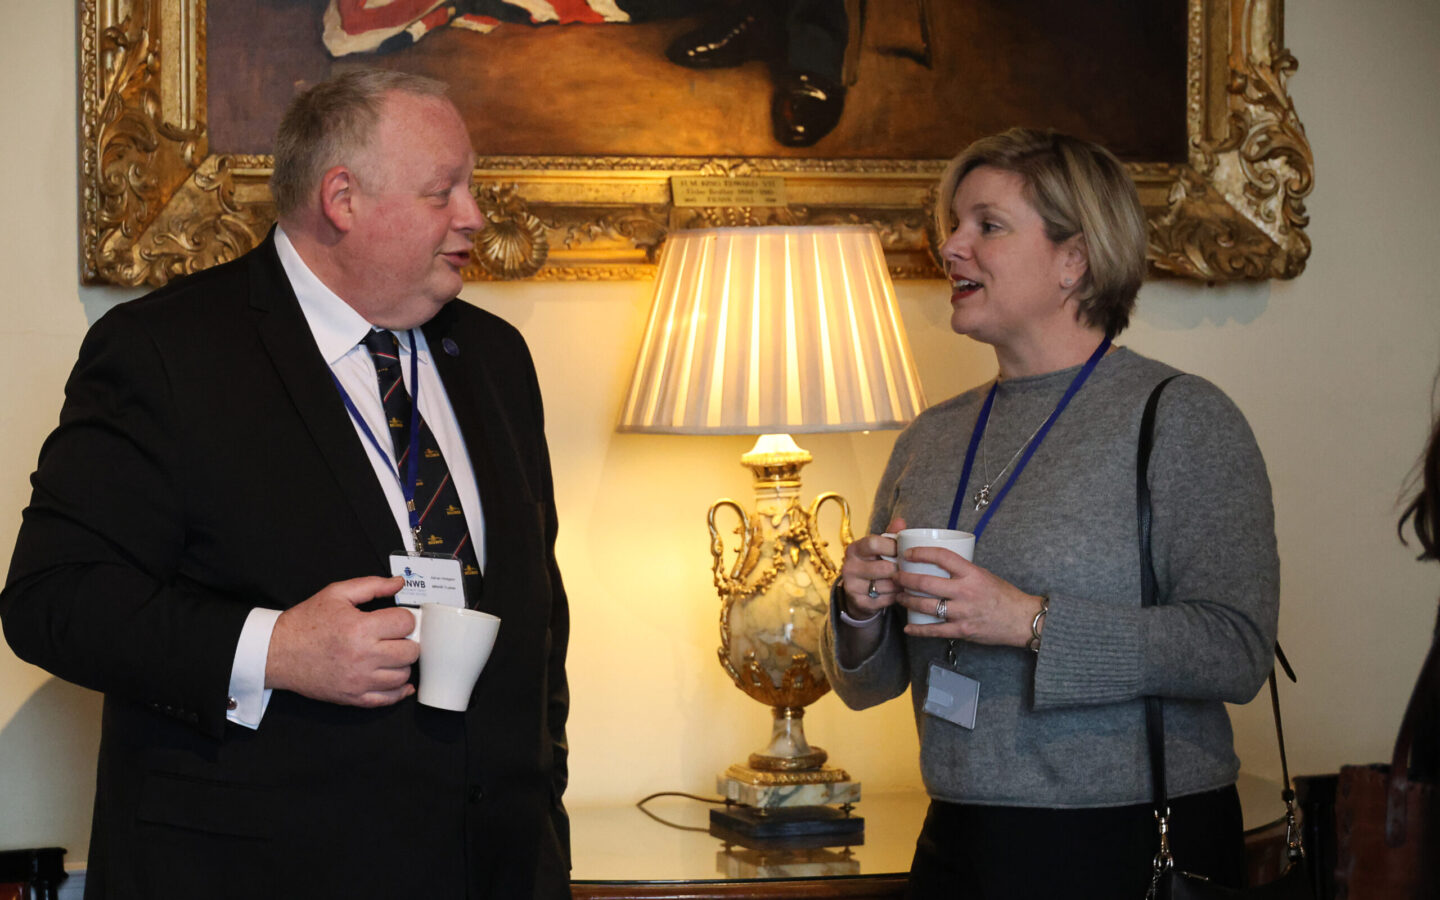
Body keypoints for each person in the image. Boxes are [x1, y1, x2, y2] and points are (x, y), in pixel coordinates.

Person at [0, 69, 570, 900]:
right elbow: (53, 602)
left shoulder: (495, 357)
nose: (474, 216)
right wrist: (274, 649)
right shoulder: (166, 353)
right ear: (342, 198)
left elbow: (539, 623)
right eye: (443, 190)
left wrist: (544, 837)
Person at [819, 128, 1279, 898]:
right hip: (959, 838)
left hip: (1127, 842)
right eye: (954, 225)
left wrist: (1028, 620)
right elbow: (869, 685)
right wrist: (859, 609)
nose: (951, 247)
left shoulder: (1180, 418)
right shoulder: (930, 438)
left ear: (1077, 260)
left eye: (987, 225)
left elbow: (1235, 650)